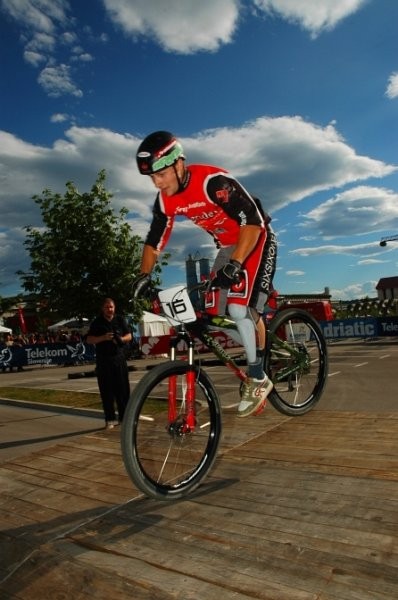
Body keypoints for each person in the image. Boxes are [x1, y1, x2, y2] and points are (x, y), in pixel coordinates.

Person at [132, 131, 277, 418]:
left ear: (178, 164)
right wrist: (143, 275)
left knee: (238, 307)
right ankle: (257, 338)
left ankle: (258, 377)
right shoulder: (165, 201)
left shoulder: (213, 183)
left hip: (256, 238)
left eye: (161, 174)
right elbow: (154, 241)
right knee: (213, 316)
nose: (157, 182)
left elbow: (253, 221)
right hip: (226, 247)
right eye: (152, 178)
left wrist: (235, 264)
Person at [86, 298, 132, 429]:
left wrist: (121, 339)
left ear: (114, 307)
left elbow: (129, 335)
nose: (109, 309)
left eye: (111, 307)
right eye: (106, 307)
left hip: (119, 360)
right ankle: (110, 420)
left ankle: (124, 419)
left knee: (123, 391)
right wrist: (103, 338)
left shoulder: (120, 320)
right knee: (107, 392)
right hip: (104, 361)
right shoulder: (97, 322)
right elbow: (89, 340)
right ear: (102, 308)